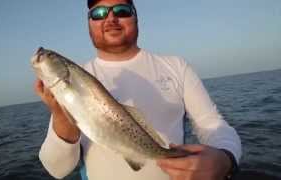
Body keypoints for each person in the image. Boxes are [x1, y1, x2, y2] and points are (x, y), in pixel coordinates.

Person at [34, 0, 242, 179]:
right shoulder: (79, 79)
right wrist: (62, 118)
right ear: (89, 24)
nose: (110, 18)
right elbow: (57, 169)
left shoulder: (176, 66)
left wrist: (225, 160)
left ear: (136, 17)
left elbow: (212, 124)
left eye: (121, 10)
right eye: (98, 14)